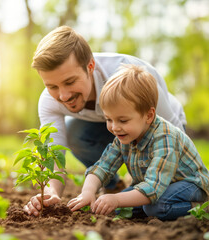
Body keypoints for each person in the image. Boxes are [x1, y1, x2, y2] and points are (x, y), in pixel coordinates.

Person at [24, 25, 187, 217]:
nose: (63, 95)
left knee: (160, 199)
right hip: (109, 127)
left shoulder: (131, 78)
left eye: (70, 82)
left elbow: (175, 135)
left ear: (90, 66)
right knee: (73, 133)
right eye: (52, 86)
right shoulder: (49, 101)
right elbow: (55, 154)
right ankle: (113, 186)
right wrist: (51, 192)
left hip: (157, 127)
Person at [67, 64, 209, 220]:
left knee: (157, 208)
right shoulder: (124, 137)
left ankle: (196, 207)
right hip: (157, 186)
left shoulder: (165, 137)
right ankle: (147, 208)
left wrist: (116, 199)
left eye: (122, 120)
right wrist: (88, 192)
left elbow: (153, 188)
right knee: (116, 210)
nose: (115, 128)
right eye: (108, 119)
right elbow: (103, 167)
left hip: (188, 184)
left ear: (149, 115)